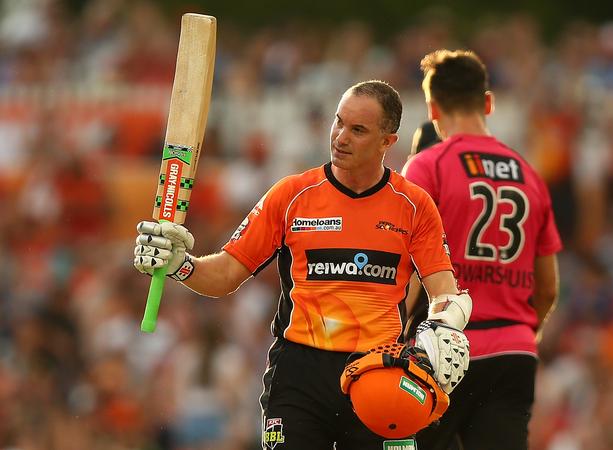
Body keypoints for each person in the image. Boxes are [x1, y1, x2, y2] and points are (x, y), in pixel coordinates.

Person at [133, 80, 472, 450]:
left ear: (387, 142)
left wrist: (444, 328)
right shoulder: (291, 195)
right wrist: (181, 264)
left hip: (378, 374)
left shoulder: (414, 205)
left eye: (358, 130)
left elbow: (444, 290)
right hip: (299, 373)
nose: (341, 137)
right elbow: (227, 274)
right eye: (338, 122)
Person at [401, 50, 563, 450]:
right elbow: (547, 289)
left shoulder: (428, 165)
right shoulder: (529, 173)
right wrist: (522, 332)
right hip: (513, 351)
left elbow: (405, 271)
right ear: (488, 103)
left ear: (433, 108)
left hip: (443, 349)